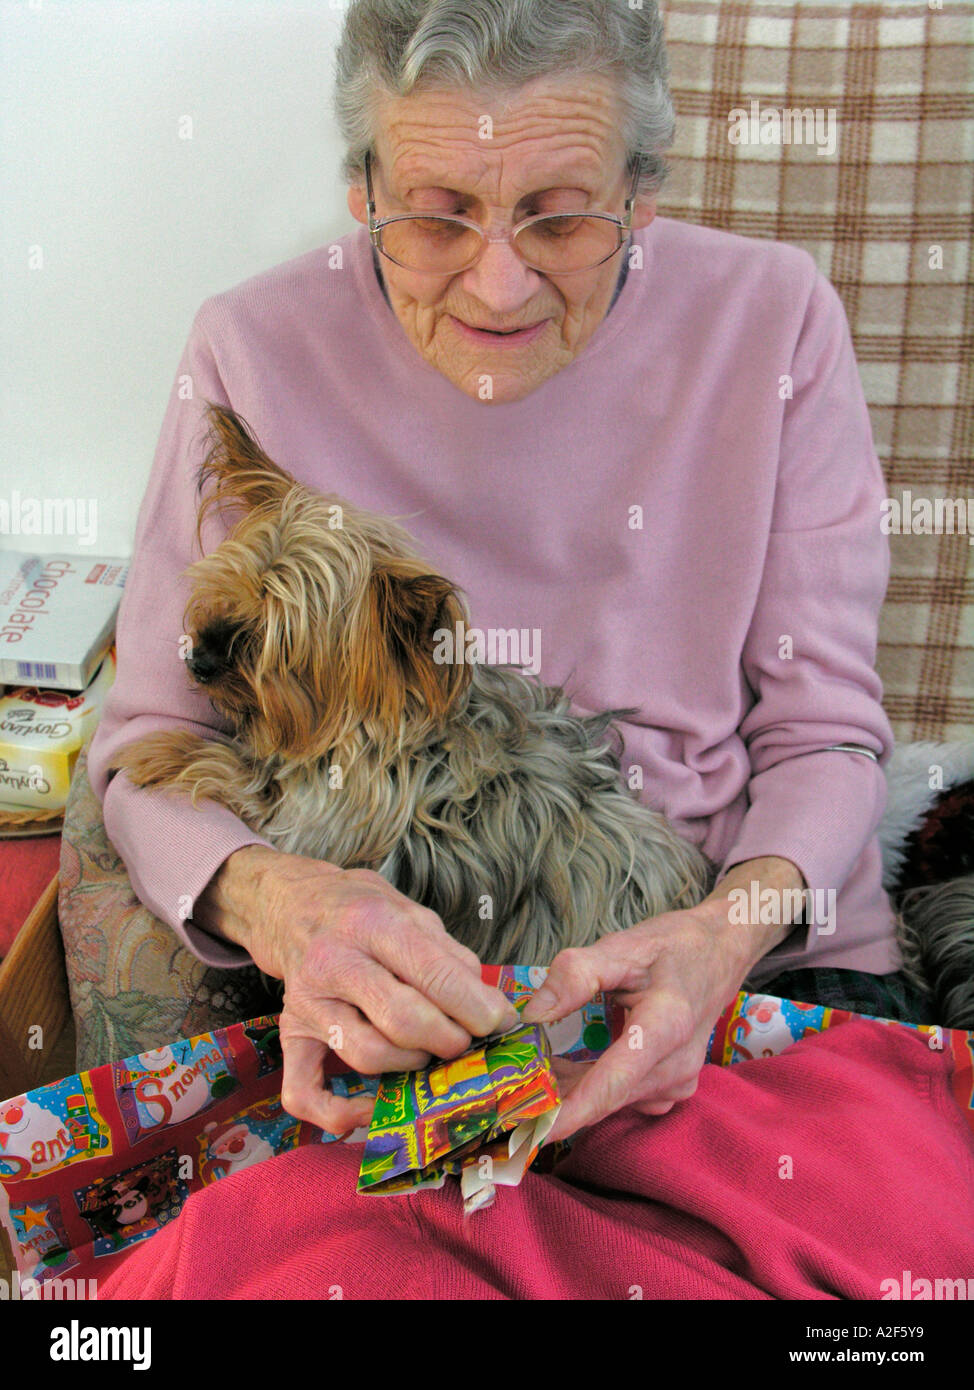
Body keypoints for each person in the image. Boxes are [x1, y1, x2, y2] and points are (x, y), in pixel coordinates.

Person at [87, 0, 920, 1148]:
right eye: (434, 220)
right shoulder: (251, 348)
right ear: (360, 191)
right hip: (413, 983)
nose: (497, 287)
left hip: (750, 957)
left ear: (641, 197)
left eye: (559, 219)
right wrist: (286, 905)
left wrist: (724, 932)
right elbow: (145, 742)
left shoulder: (770, 319)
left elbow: (822, 734)